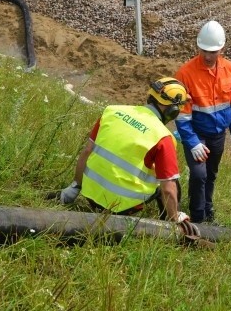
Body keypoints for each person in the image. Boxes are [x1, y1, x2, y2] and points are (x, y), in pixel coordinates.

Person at [58, 77, 196, 231]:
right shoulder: (163, 137)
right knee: (171, 181)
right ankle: (168, 223)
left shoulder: (112, 111)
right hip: (120, 207)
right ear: (173, 110)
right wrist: (175, 216)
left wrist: (75, 186)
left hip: (90, 196)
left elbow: (87, 151)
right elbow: (168, 188)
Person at [175, 20, 231, 224]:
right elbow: (182, 115)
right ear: (197, 46)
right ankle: (198, 218)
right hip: (197, 133)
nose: (207, 56)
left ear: (222, 49)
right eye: (203, 50)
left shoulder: (228, 69)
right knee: (198, 175)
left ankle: (207, 208)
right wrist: (192, 142)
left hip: (218, 134)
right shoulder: (185, 74)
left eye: (212, 52)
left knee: (211, 174)